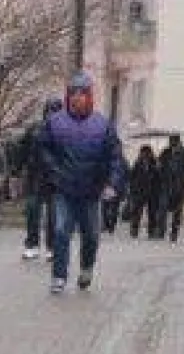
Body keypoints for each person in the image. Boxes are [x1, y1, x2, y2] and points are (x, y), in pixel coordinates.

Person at [37, 71, 126, 294]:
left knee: (92, 235)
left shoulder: (102, 125)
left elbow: (115, 157)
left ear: (89, 97)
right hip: (64, 188)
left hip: (91, 190)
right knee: (60, 231)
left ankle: (86, 268)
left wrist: (112, 184)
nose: (78, 98)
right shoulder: (55, 123)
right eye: (73, 93)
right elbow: (42, 149)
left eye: (82, 93)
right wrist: (53, 170)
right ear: (68, 97)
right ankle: (59, 275)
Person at [19, 98, 61, 260]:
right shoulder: (34, 129)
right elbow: (22, 150)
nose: (51, 114)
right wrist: (17, 170)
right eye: (49, 110)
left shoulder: (64, 132)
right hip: (35, 176)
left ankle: (52, 247)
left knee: (54, 215)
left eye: (55, 110)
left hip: (55, 178)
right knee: (32, 212)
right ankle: (32, 245)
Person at [157, 133, 184, 243]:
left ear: (178, 142)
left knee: (177, 212)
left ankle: (174, 233)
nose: (171, 144)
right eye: (170, 142)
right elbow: (159, 165)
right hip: (166, 185)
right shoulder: (165, 152)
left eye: (173, 142)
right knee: (162, 208)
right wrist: (160, 171)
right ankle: (161, 231)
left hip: (179, 188)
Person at [124, 144, 161, 239]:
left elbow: (160, 178)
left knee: (152, 213)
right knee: (136, 212)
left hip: (152, 193)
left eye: (146, 153)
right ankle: (134, 231)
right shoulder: (138, 163)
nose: (144, 155)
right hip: (139, 192)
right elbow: (132, 177)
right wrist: (132, 189)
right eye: (142, 153)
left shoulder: (155, 163)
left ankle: (151, 232)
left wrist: (156, 171)